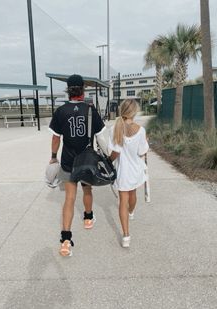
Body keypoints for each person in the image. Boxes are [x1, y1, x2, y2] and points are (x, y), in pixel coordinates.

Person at [49, 74, 106, 257]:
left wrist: (53, 157)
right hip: (86, 161)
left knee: (69, 199)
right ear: (82, 89)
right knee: (87, 190)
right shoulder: (90, 109)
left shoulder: (61, 111)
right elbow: (101, 137)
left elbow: (56, 138)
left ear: (68, 90)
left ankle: (66, 240)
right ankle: (88, 218)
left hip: (68, 161)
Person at [108, 99, 149, 248]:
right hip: (135, 170)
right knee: (133, 195)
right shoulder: (141, 130)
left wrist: (108, 161)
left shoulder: (115, 128)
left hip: (122, 171)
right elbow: (141, 152)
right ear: (135, 112)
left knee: (122, 201)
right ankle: (131, 212)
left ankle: (126, 236)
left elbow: (114, 153)